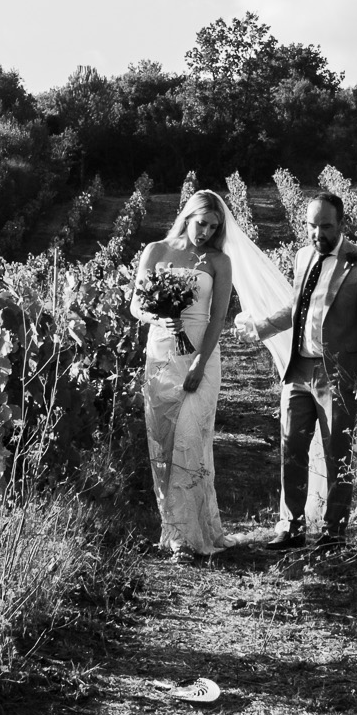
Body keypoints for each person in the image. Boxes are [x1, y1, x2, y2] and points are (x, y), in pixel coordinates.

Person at [237, 193, 357, 550]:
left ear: (342, 225)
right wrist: (262, 327)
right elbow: (295, 306)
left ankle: (334, 531)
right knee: (291, 447)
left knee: (337, 451)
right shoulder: (303, 256)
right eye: (311, 225)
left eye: (325, 226)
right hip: (299, 368)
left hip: (339, 372)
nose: (317, 233)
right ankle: (291, 526)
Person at [130, 190, 235, 556]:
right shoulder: (156, 251)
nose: (205, 231)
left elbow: (218, 317)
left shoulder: (220, 261)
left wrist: (199, 363)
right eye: (200, 223)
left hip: (201, 354)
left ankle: (187, 540)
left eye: (213, 226)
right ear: (187, 217)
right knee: (163, 442)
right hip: (161, 352)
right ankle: (173, 525)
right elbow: (136, 305)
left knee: (191, 438)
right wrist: (158, 315)